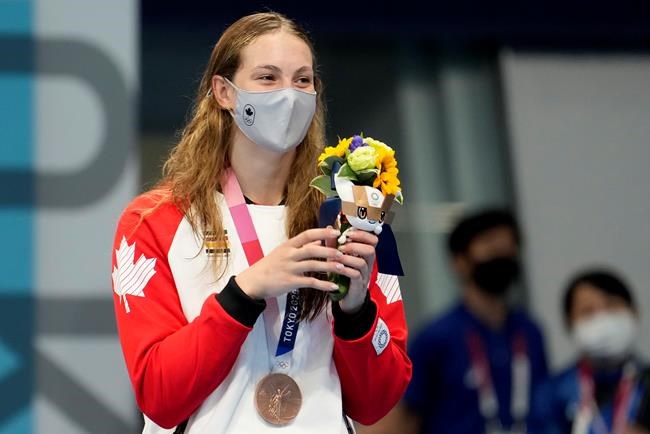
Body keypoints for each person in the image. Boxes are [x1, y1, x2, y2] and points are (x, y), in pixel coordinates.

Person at [110, 12, 411, 433]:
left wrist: (356, 311)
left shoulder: (354, 218)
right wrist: (246, 291)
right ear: (224, 92)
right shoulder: (155, 220)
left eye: (302, 80)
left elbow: (376, 402)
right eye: (268, 77)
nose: (289, 96)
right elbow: (160, 395)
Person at [399, 209, 548, 434]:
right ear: (460, 261)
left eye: (508, 250)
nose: (501, 259)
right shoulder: (436, 339)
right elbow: (407, 420)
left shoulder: (530, 333)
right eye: (490, 249)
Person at [529, 269, 646, 434]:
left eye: (611, 305)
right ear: (569, 324)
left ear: (634, 312)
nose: (602, 318)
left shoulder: (646, 383)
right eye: (587, 311)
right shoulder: (553, 393)